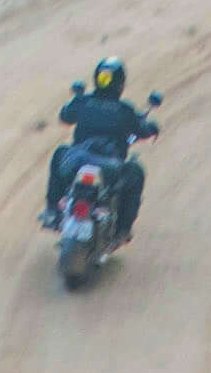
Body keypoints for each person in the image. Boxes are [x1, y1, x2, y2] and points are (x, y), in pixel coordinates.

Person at [42, 56, 159, 238]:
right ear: (120, 83)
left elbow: (65, 116)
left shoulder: (83, 102)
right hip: (110, 167)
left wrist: (76, 100)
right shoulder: (125, 110)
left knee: (60, 152)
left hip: (77, 162)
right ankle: (122, 229)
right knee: (136, 172)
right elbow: (142, 130)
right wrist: (151, 127)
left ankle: (51, 210)